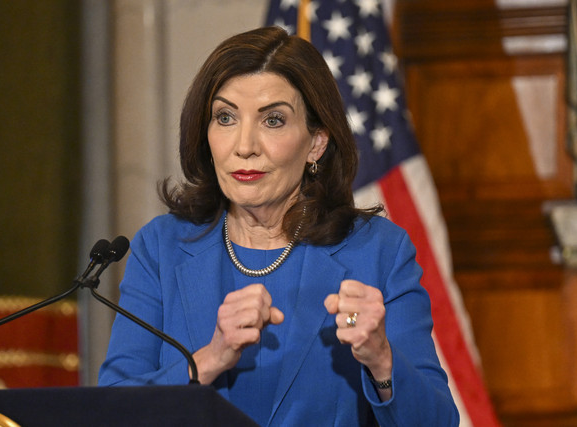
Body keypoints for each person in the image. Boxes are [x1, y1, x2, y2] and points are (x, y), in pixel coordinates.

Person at [98, 26, 459, 426]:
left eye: (272, 120)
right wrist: (211, 358)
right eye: (225, 117)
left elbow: (436, 421)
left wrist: (381, 359)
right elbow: (113, 411)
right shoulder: (162, 247)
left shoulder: (378, 252)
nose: (245, 144)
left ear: (316, 143)